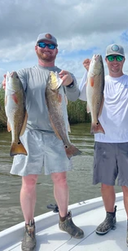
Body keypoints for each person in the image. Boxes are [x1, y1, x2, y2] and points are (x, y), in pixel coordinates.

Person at [2, 33, 84, 251]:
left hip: (57, 134)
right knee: (28, 181)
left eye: (51, 45)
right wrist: (7, 84)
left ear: (57, 50)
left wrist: (71, 81)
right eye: (43, 44)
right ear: (36, 48)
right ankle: (29, 227)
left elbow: (75, 96)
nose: (47, 48)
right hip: (29, 134)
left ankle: (64, 219)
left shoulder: (64, 75)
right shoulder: (23, 74)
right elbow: (13, 92)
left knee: (61, 179)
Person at [79, 44, 128, 248]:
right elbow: (80, 95)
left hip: (127, 141)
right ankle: (110, 217)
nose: (114, 61)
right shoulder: (96, 80)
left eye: (118, 58)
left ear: (124, 60)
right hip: (102, 141)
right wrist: (87, 73)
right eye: (111, 58)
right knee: (106, 185)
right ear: (105, 61)